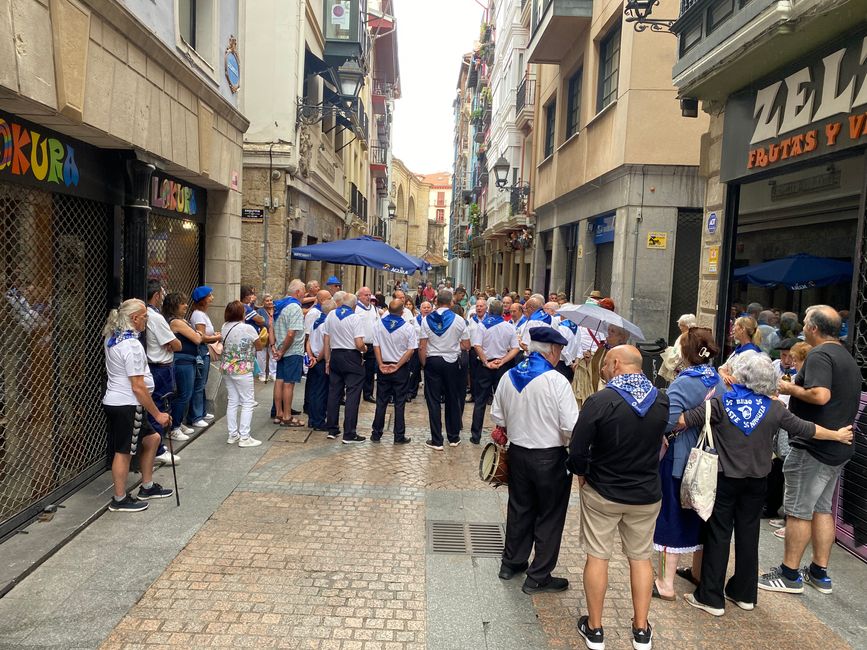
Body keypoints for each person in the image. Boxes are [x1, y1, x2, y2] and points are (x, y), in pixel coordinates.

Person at [678, 352, 853, 616]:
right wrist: (836, 435)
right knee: (749, 536)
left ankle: (711, 598)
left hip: (724, 480)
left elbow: (684, 420)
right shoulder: (775, 409)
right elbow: (806, 429)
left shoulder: (720, 403)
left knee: (718, 535)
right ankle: (744, 594)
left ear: (743, 376)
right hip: (757, 482)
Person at [567, 345, 670, 650]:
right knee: (640, 559)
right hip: (646, 493)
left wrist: (582, 475)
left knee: (598, 555)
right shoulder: (661, 400)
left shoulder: (600, 401)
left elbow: (577, 449)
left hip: (604, 490)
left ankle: (596, 629)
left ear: (614, 364)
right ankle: (641, 630)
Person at [759, 306, 860, 596]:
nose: (802, 327)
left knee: (799, 512)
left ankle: (789, 574)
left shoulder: (819, 355)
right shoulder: (846, 356)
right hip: (836, 447)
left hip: (815, 448)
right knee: (821, 509)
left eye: (805, 323)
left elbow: (820, 395)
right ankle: (819, 572)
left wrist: (790, 390)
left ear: (814, 328)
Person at [492, 327, 578, 592]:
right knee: (550, 515)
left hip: (518, 453)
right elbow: (571, 426)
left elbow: (498, 417)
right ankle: (539, 574)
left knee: (519, 508)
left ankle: (512, 563)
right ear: (552, 350)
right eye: (560, 351)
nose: (560, 356)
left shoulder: (509, 376)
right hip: (549, 456)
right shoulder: (557, 381)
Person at [652, 327, 726, 601]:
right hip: (707, 457)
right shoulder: (717, 379)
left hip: (680, 457)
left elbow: (670, 421)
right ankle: (696, 572)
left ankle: (665, 583)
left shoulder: (684, 382)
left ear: (685, 352)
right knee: (700, 515)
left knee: (669, 517)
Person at [101, 299, 173, 512]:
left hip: (121, 401)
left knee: (152, 439)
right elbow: (138, 386)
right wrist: (157, 414)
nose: (146, 320)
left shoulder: (113, 337)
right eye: (144, 317)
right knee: (123, 451)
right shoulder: (131, 345)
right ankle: (120, 498)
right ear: (134, 318)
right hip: (127, 404)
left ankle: (147, 485)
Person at [419, 289, 471, 450]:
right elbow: (467, 345)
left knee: (433, 401)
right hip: (451, 361)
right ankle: (454, 437)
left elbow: (422, 346)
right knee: (452, 398)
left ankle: (437, 440)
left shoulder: (426, 320)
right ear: (451, 303)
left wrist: (424, 364)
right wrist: (454, 345)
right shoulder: (459, 320)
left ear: (436, 302)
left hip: (433, 360)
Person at [470, 300, 520, 444]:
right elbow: (515, 348)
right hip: (501, 366)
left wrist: (486, 362)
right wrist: (503, 361)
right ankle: (502, 433)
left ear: (489, 311)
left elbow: (477, 346)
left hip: (485, 366)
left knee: (480, 401)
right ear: (503, 312)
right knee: (502, 402)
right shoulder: (508, 326)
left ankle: (475, 435)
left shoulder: (482, 325)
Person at [144, 280, 182, 465]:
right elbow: (176, 344)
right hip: (159, 367)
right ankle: (157, 449)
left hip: (158, 365)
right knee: (159, 406)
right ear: (157, 295)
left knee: (159, 405)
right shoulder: (155, 317)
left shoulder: (151, 315)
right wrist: (172, 343)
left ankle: (158, 445)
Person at [220, 301, 268, 447]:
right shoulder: (247, 328)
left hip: (227, 368)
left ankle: (232, 434)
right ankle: (245, 437)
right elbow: (259, 347)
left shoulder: (224, 326)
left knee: (233, 400)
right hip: (243, 368)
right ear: (241, 313)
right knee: (247, 401)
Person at [370, 298, 418, 444]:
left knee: (381, 401)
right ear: (403, 312)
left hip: (383, 366)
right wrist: (398, 365)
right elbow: (411, 350)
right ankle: (399, 435)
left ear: (388, 310)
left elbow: (376, 346)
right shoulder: (408, 328)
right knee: (399, 402)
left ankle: (376, 433)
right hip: (400, 368)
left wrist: (380, 364)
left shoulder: (378, 325)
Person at [323, 293, 367, 443]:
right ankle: (349, 433)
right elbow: (359, 343)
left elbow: (326, 339)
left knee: (334, 392)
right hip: (351, 356)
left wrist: (328, 360)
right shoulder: (355, 318)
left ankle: (332, 428)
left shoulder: (331, 315)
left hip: (335, 355)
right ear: (354, 306)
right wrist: (364, 349)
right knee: (353, 394)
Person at [165, 293, 201, 441]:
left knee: (187, 393)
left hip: (188, 360)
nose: (186, 306)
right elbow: (198, 338)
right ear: (174, 306)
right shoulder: (176, 322)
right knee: (183, 394)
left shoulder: (182, 321)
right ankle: (174, 427)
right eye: (182, 303)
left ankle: (178, 422)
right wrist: (197, 333)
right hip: (182, 361)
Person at [273, 280, 306, 427]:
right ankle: (287, 416)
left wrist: (275, 348)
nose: (304, 294)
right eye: (304, 291)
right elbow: (292, 333)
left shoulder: (279, 305)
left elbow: (271, 326)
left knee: (279, 381)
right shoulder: (295, 307)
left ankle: (279, 413)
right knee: (288, 384)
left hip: (280, 347)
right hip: (291, 350)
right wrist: (282, 350)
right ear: (298, 292)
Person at [188, 286, 220, 428]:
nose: (212, 297)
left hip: (204, 351)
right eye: (210, 295)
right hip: (200, 352)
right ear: (203, 299)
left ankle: (201, 411)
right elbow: (201, 337)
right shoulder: (199, 315)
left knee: (202, 382)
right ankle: (196, 415)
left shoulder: (201, 314)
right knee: (199, 384)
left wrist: (214, 336)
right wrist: (217, 337)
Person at [304, 299, 335, 431]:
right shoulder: (327, 324)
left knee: (313, 390)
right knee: (321, 392)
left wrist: (310, 356)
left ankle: (312, 418)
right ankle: (319, 421)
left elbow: (309, 341)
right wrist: (318, 358)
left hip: (313, 358)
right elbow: (326, 345)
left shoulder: (316, 322)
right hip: (320, 360)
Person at [718, 316, 763, 385]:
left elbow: (733, 381)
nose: (733, 329)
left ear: (742, 329)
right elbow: (721, 369)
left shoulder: (750, 353)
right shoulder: (739, 349)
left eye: (735, 326)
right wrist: (726, 376)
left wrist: (725, 375)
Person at [356, 286, 380, 404]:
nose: (368, 297)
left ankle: (368, 393)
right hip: (359, 344)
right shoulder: (356, 309)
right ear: (359, 296)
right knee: (357, 370)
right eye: (365, 295)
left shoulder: (374, 309)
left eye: (369, 294)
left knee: (370, 371)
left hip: (371, 344)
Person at [408, 301, 433, 400]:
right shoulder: (414, 320)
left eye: (428, 307)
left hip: (430, 349)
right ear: (420, 309)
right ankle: (411, 392)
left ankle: (430, 393)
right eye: (424, 307)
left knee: (430, 372)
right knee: (414, 371)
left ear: (431, 309)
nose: (426, 309)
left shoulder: (435, 321)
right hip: (416, 348)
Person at [256, 294, 277, 382]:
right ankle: (262, 374)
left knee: (273, 355)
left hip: (275, 335)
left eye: (270, 300)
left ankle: (273, 374)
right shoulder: (260, 311)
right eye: (267, 301)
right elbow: (258, 321)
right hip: (264, 335)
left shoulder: (276, 310)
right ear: (263, 302)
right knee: (261, 356)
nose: (269, 302)